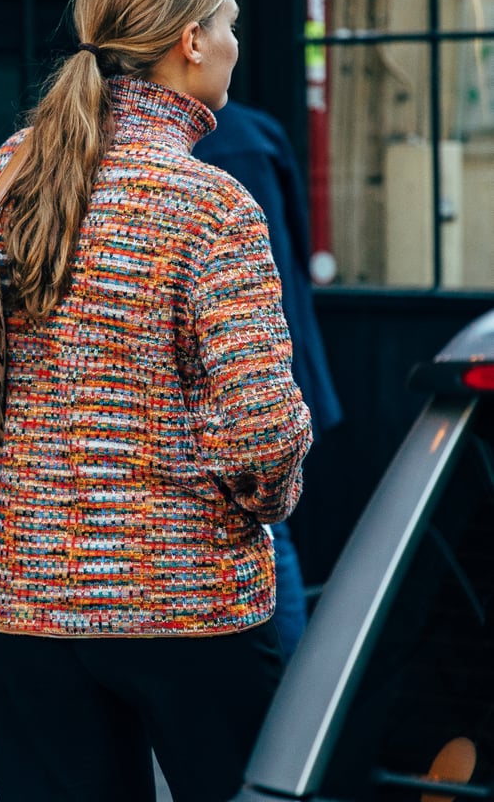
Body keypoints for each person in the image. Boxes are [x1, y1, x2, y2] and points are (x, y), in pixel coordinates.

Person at [0, 0, 312, 802]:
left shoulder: (14, 169)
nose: (236, 45)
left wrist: (20, 456)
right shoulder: (210, 204)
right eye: (228, 23)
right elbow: (264, 433)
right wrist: (256, 512)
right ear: (190, 41)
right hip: (190, 605)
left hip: (31, 597)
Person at [194, 100, 343, 659]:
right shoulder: (256, 132)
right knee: (268, 535)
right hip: (273, 360)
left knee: (268, 536)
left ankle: (293, 703)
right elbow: (299, 251)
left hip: (240, 374)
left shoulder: (232, 143)